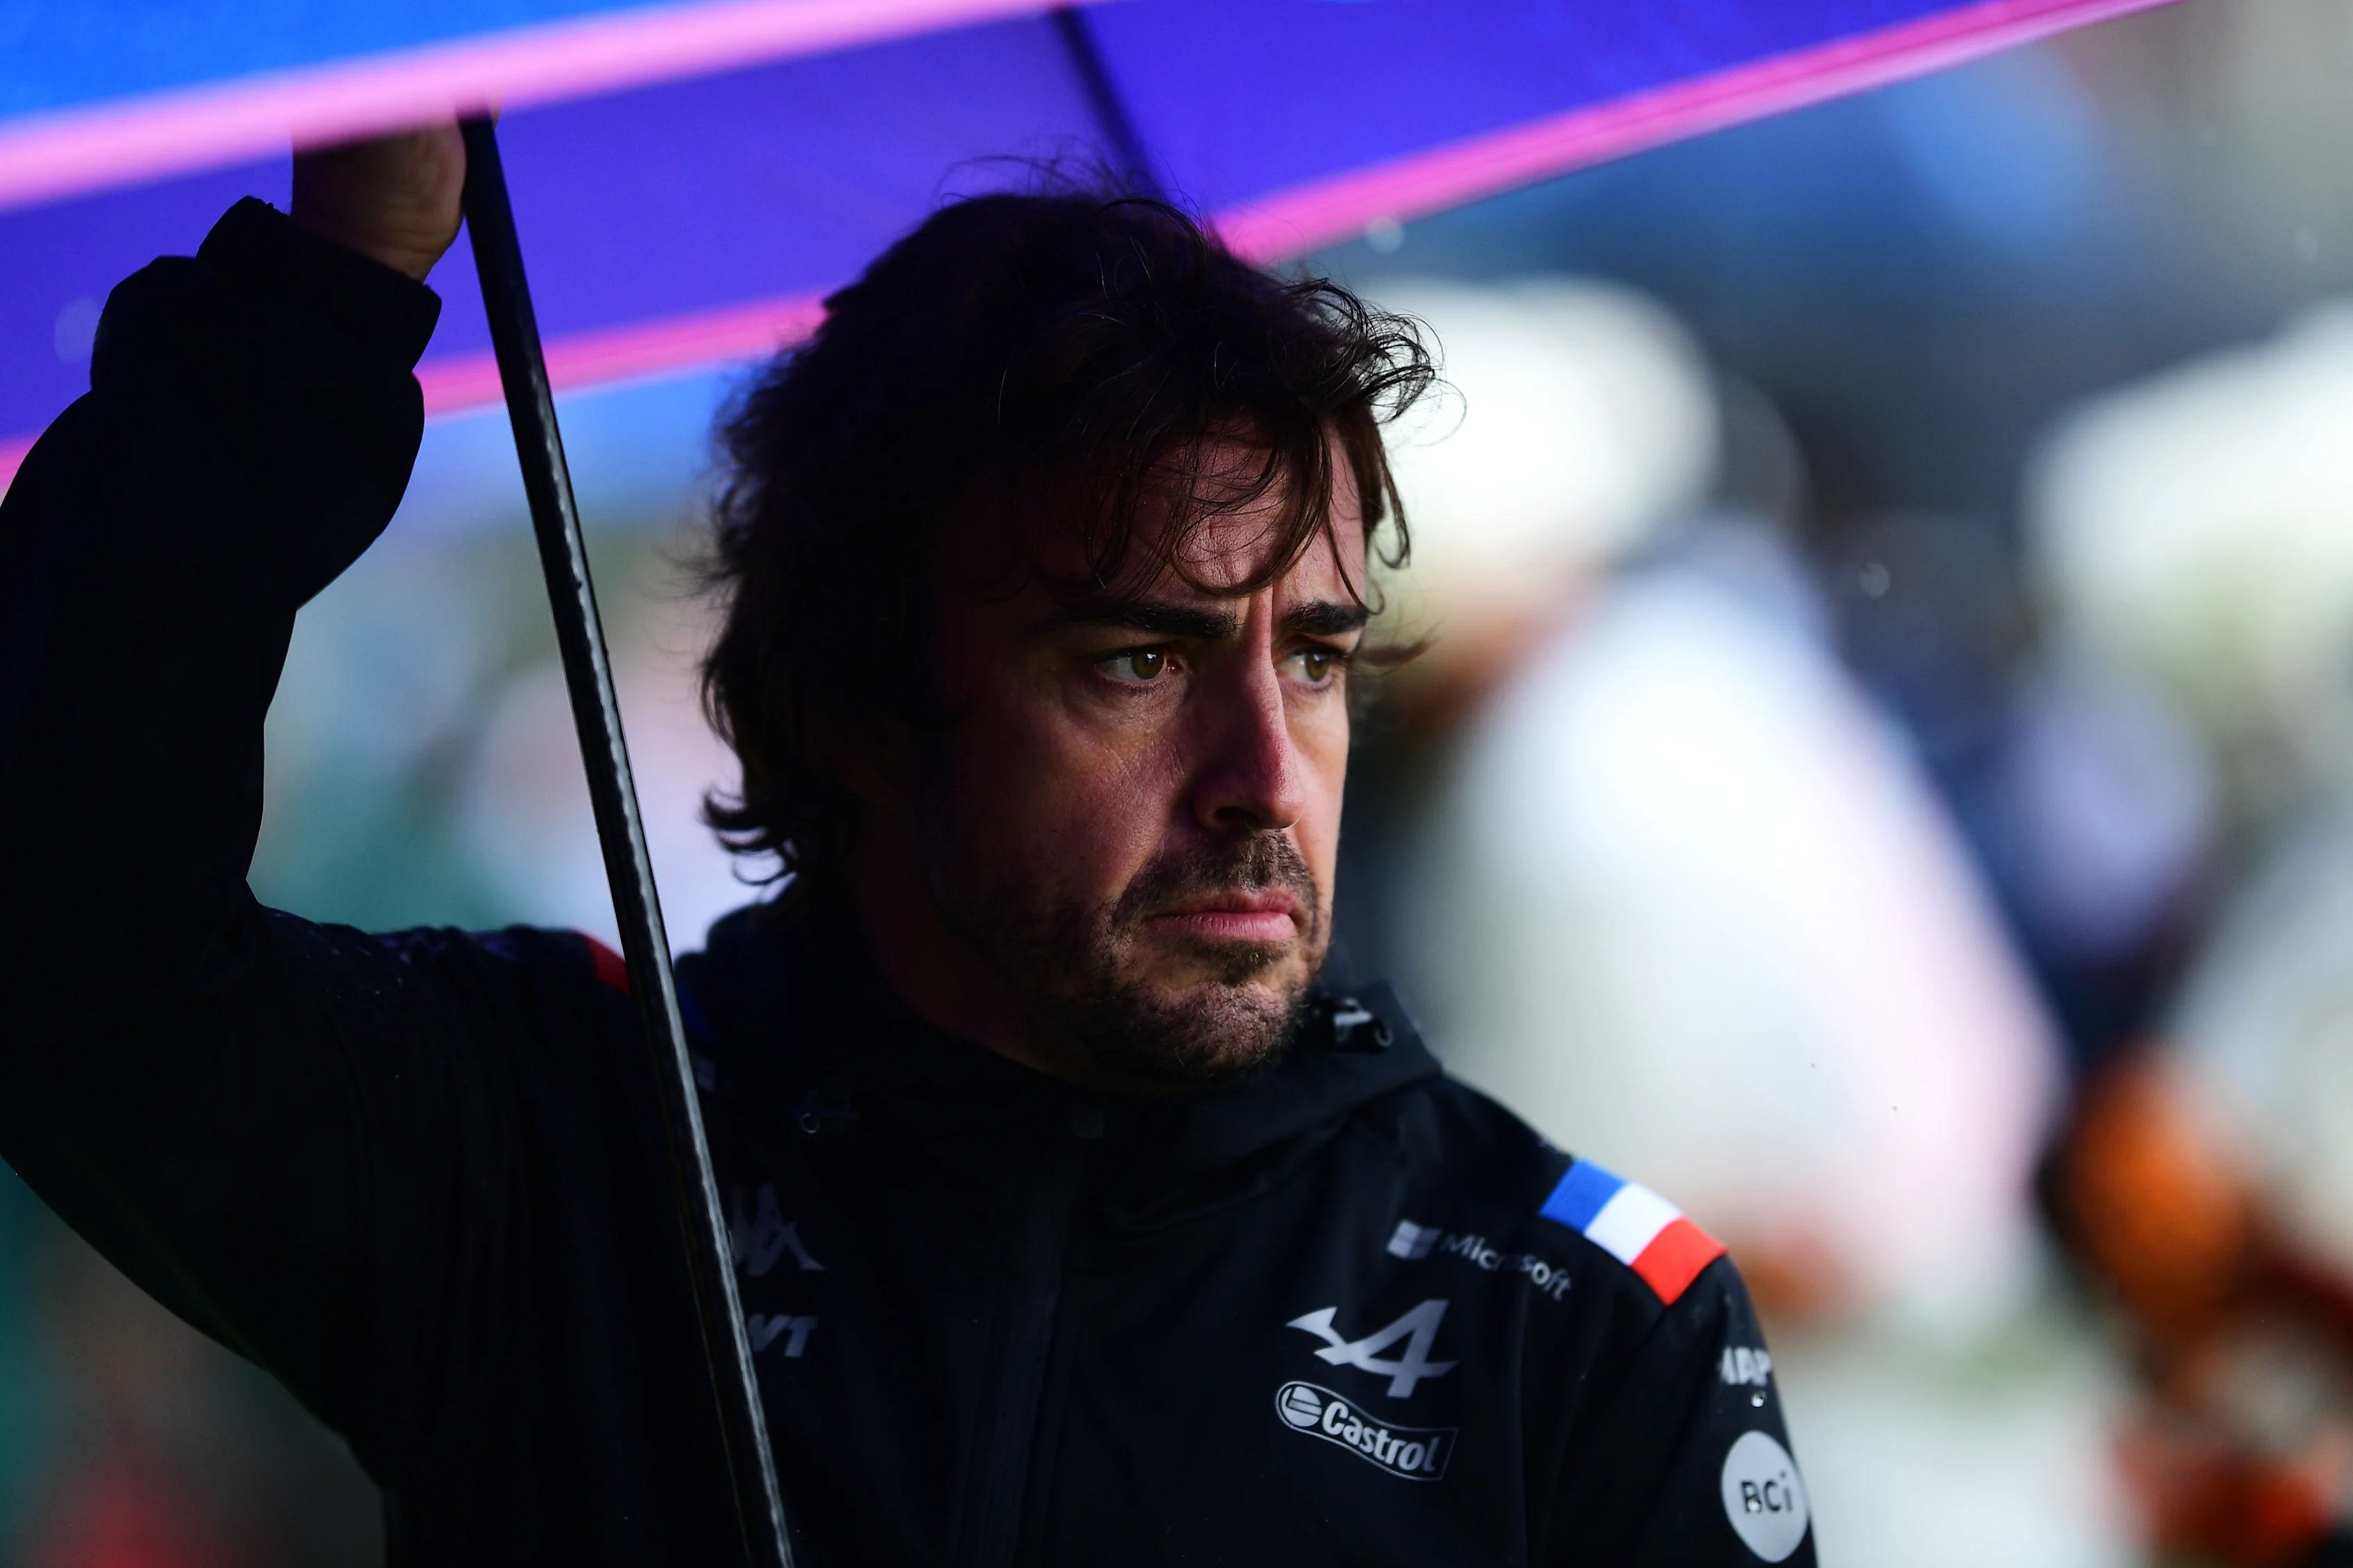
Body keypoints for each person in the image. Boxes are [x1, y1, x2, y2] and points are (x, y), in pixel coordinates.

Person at [0, 123, 1813, 1566]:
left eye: (1318, 656)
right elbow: (66, 940)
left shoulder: (1570, 1326)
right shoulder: (562, 1153)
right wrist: (327, 296)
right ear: (865, 702)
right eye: (1137, 657)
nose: (1267, 769)